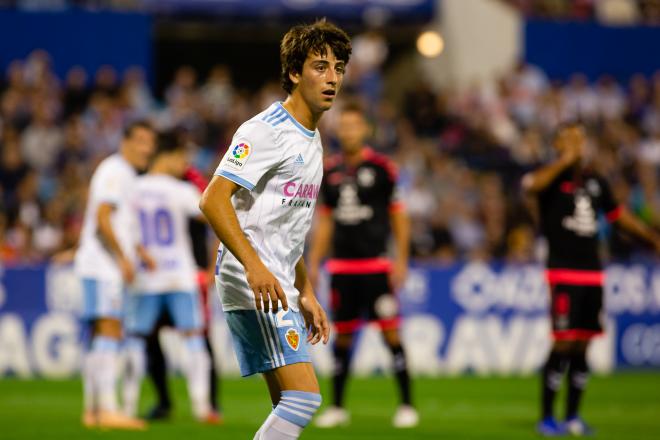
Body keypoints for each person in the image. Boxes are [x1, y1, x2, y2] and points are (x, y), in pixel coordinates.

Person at [199, 19, 351, 439]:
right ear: (294, 72)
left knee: (285, 404)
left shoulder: (313, 138)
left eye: (338, 68)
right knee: (305, 399)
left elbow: (288, 229)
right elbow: (212, 199)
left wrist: (305, 290)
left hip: (278, 278)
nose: (333, 78)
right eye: (320, 66)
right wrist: (254, 267)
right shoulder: (265, 130)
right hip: (255, 279)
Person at [522, 122, 660, 436]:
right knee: (564, 340)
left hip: (592, 273)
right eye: (569, 139)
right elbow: (530, 187)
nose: (577, 144)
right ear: (557, 145)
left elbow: (618, 216)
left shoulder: (596, 181)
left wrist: (651, 238)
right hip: (562, 271)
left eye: (581, 139)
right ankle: (546, 416)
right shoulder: (549, 178)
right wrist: (563, 162)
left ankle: (572, 416)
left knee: (583, 344)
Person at [308, 103, 418, 428]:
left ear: (365, 129)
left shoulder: (383, 168)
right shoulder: (329, 171)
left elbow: (399, 215)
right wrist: (314, 260)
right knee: (341, 338)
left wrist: (401, 259)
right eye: (344, 126)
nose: (349, 131)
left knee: (391, 334)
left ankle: (407, 405)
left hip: (375, 266)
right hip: (342, 268)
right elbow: (326, 219)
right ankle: (338, 407)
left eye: (354, 126)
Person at [121, 130, 215, 423]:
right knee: (194, 340)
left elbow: (124, 229)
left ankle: (127, 408)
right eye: (181, 158)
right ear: (168, 156)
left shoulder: (133, 188)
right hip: (179, 274)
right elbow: (211, 214)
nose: (183, 165)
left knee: (136, 340)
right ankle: (202, 407)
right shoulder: (180, 190)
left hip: (145, 278)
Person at [74, 121, 156, 430]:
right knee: (109, 330)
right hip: (103, 265)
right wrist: (123, 257)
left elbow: (117, 221)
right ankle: (107, 409)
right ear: (125, 142)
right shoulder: (115, 170)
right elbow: (103, 216)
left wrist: (138, 250)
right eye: (141, 141)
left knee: (101, 333)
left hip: (100, 263)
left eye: (150, 142)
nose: (146, 148)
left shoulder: (124, 173)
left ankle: (93, 410)